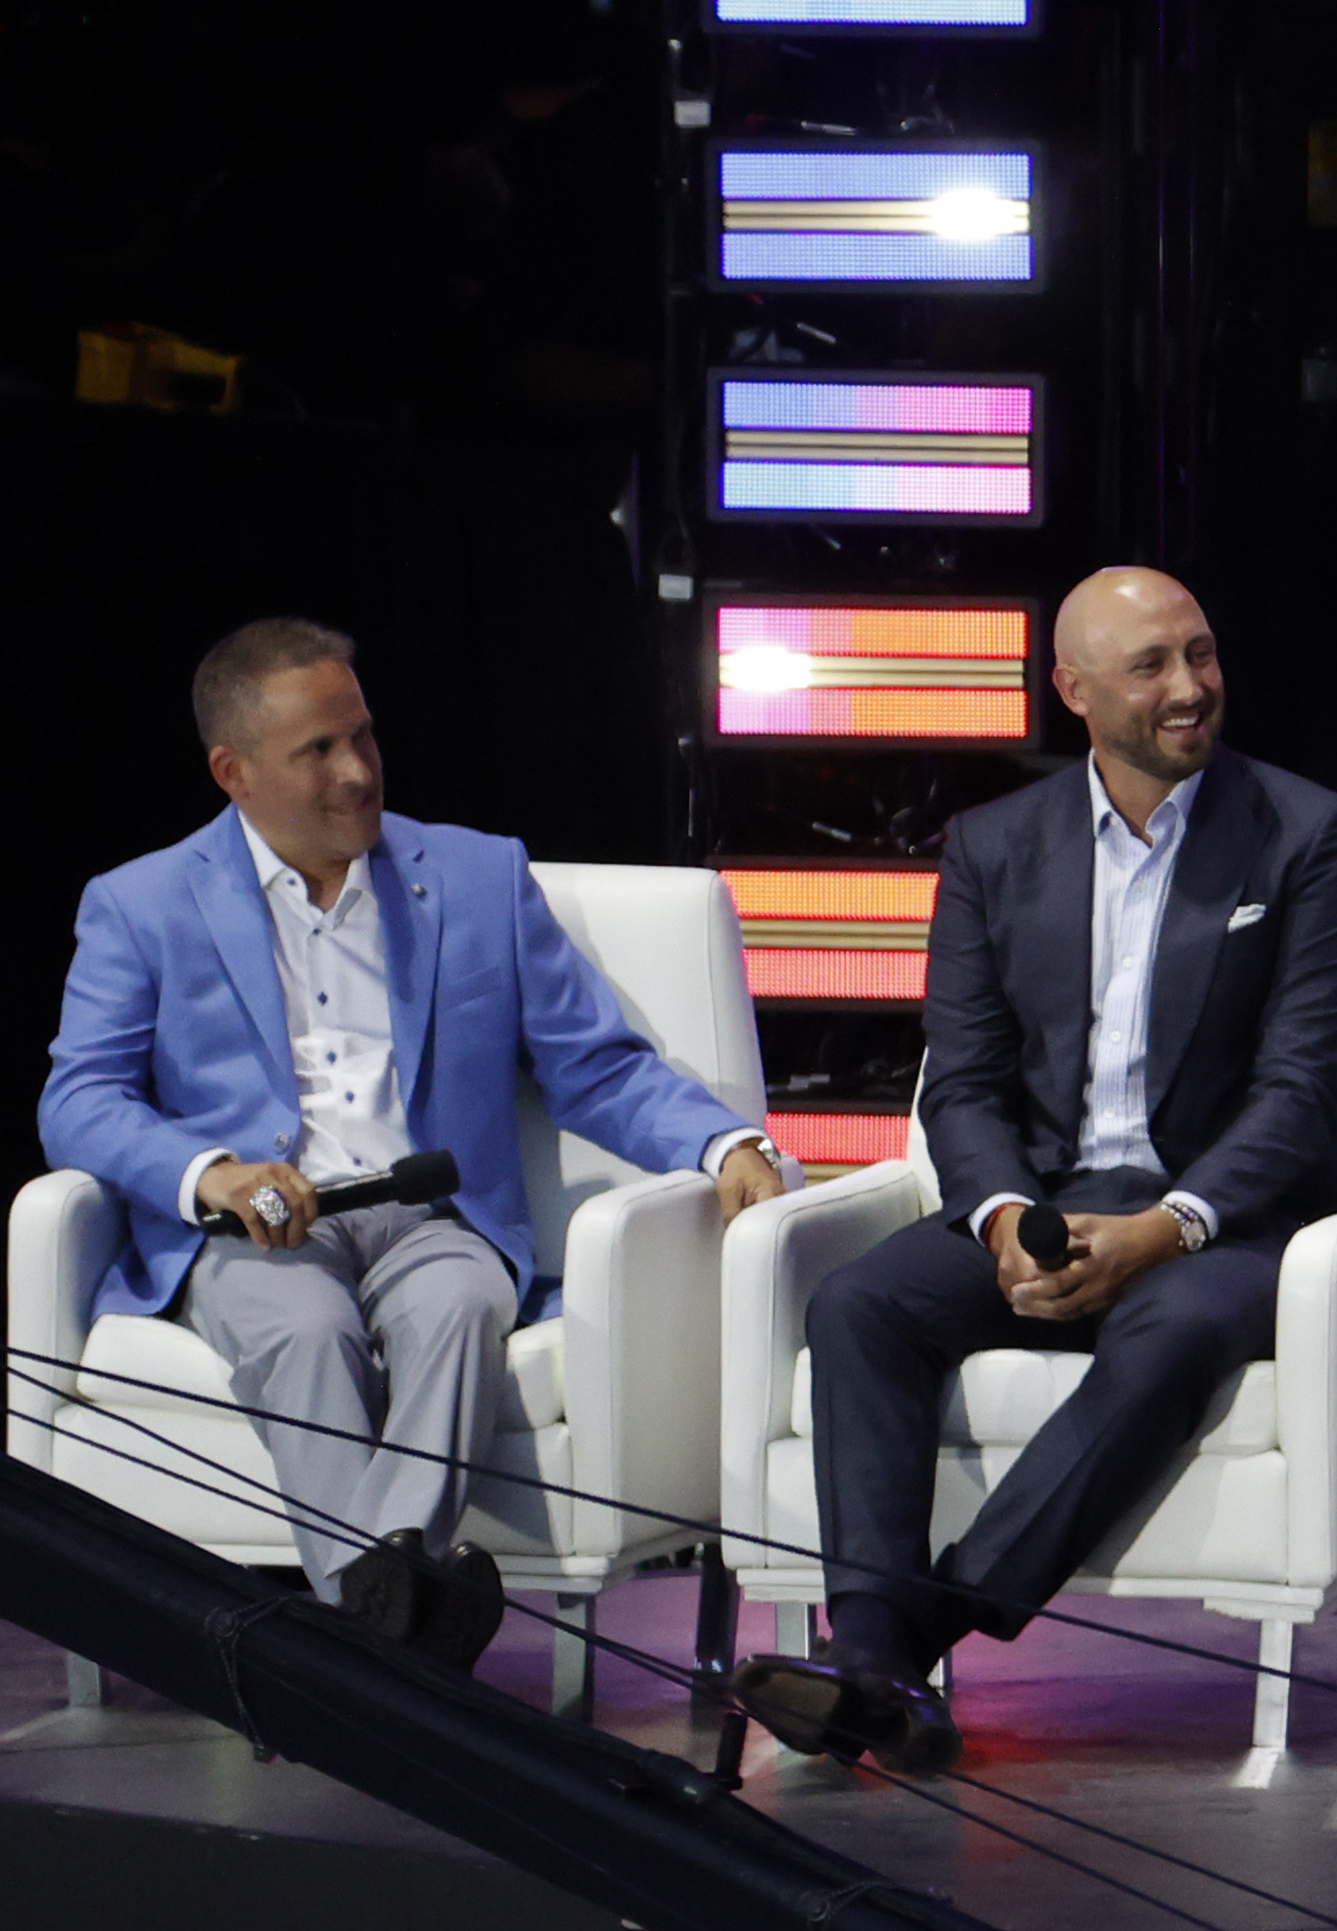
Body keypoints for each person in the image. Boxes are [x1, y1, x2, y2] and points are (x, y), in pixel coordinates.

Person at [730, 568, 1337, 1777]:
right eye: (1151, 667)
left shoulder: (1309, 838)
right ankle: (870, 1645)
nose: (1189, 688)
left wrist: (1168, 1228)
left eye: (1201, 654)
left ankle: (903, 1645)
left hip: (1236, 1223)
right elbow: (965, 1083)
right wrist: (1006, 1221)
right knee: (860, 1305)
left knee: (1171, 1333)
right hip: (1048, 1197)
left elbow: (1301, 1096)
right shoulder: (993, 846)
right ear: (1074, 690)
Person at [40, 618, 788, 1667]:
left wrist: (722, 1146)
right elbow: (79, 1099)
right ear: (233, 772)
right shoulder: (142, 904)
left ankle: (359, 1653)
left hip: (435, 1211)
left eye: (364, 738)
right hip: (260, 1233)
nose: (356, 772)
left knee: (458, 1303)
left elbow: (595, 1064)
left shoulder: (478, 878)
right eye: (318, 751)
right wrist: (209, 1175)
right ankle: (400, 1631)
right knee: (302, 1333)